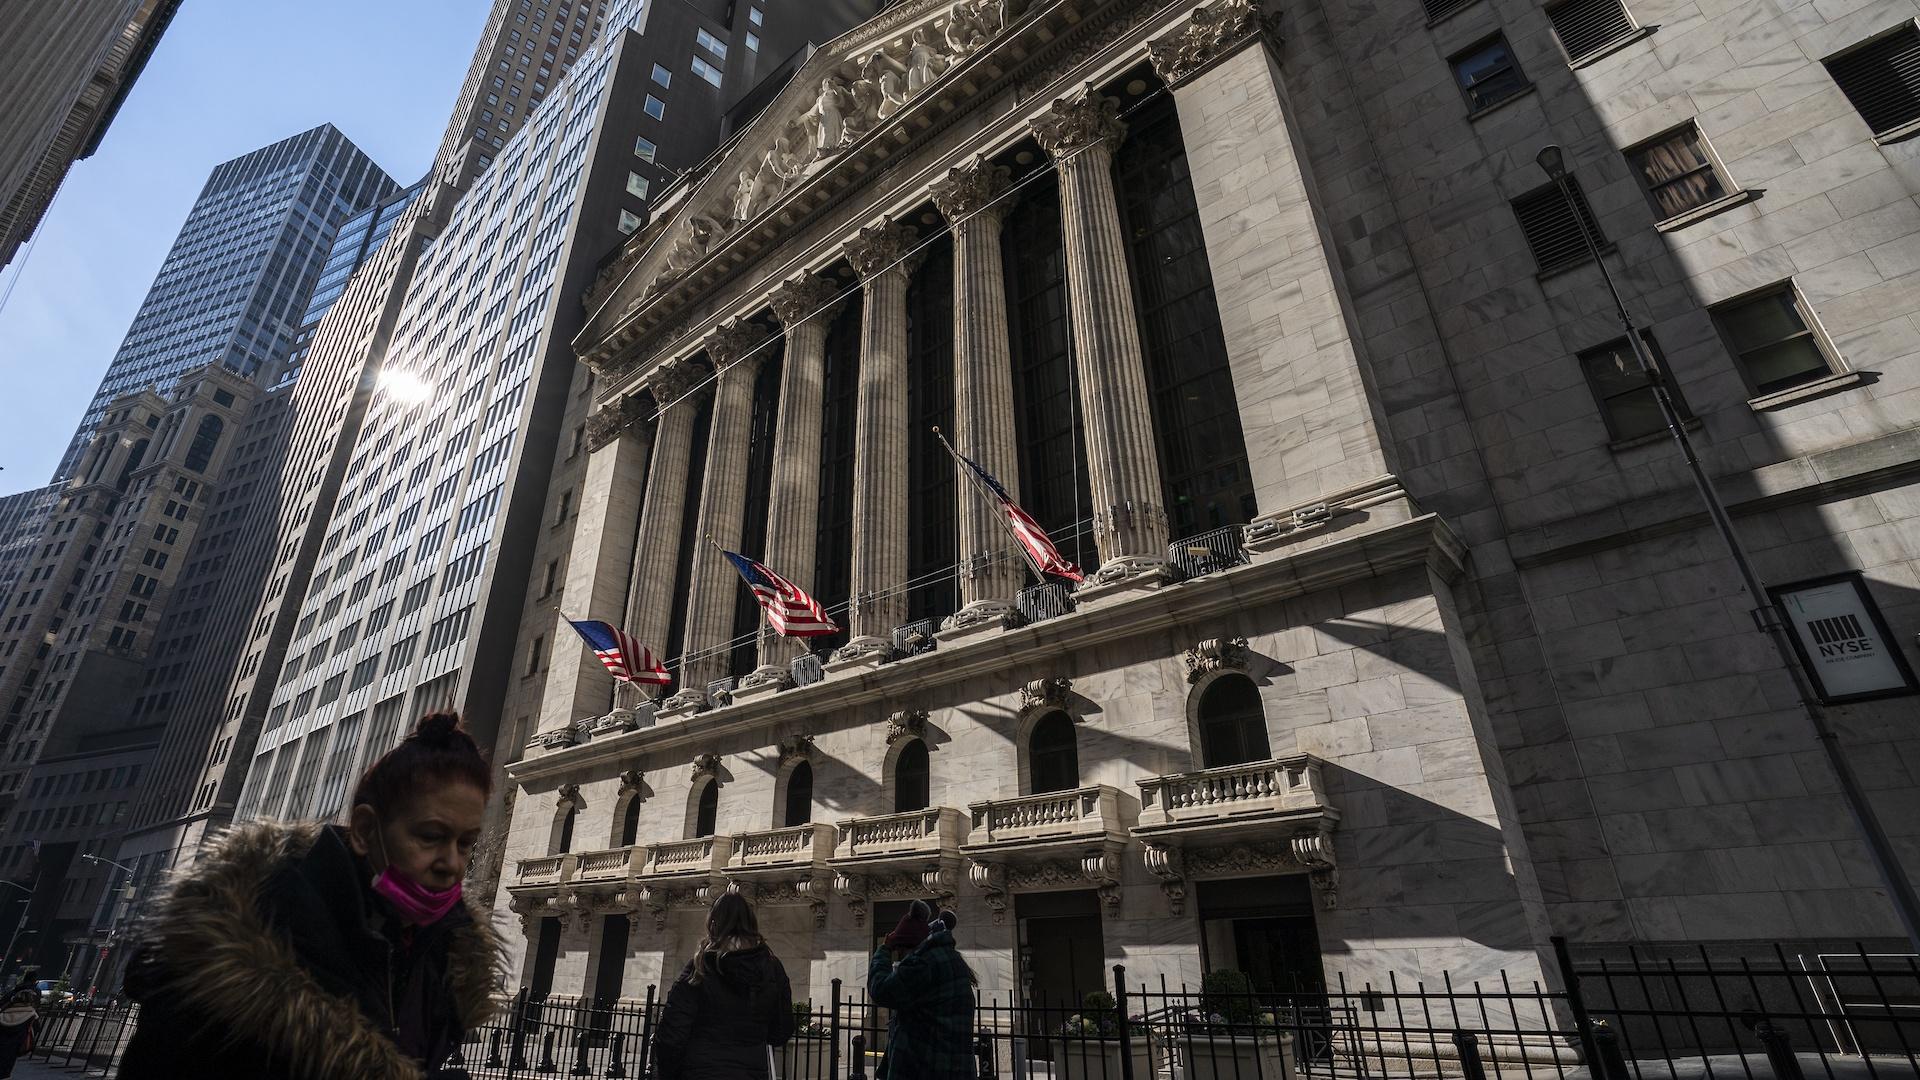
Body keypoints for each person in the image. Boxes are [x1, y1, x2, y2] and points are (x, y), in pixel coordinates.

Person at [117, 713, 506, 1079]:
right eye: (431, 837)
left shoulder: (446, 958)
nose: (451, 863)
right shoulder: (234, 957)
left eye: (466, 842)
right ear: (365, 830)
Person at [652, 891, 794, 1079]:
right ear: (751, 923)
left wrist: (668, 1073)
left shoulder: (701, 965)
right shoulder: (772, 967)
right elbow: (781, 1031)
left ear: (713, 923)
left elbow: (673, 1030)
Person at [868, 900, 975, 1079]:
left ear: (910, 945)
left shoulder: (922, 963)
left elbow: (880, 990)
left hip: (926, 1066)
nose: (902, 959)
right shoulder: (953, 960)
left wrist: (884, 949)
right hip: (955, 1067)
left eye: (901, 951)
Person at [0, 988, 37, 1079]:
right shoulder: (32, 1015)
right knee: (6, 1070)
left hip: (1, 1043)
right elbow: (36, 1028)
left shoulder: (3, 1013)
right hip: (16, 1045)